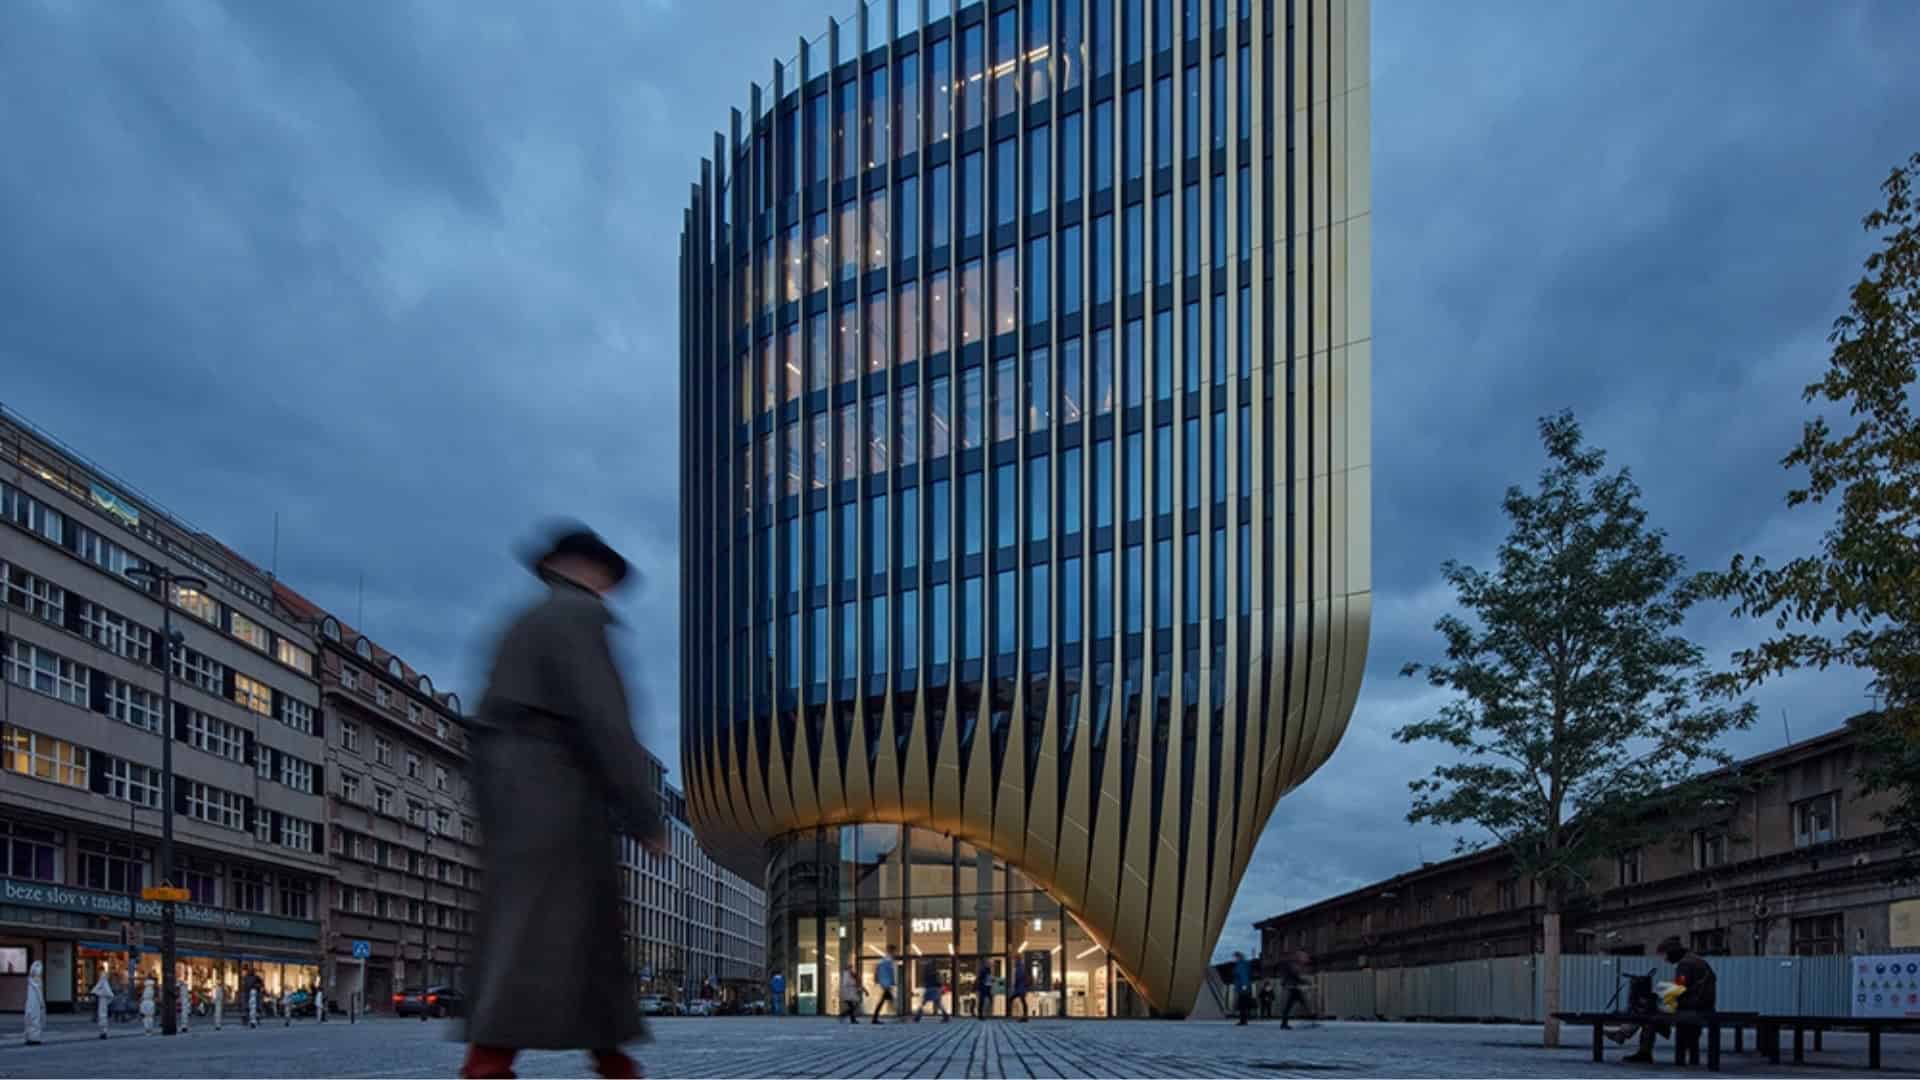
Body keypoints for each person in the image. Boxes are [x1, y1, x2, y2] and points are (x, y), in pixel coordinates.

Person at [459, 524, 669, 1080]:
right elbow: (605, 716)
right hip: (555, 785)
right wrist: (643, 812)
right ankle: (490, 1063)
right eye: (606, 575)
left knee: (575, 927)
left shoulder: (528, 621)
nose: (609, 588)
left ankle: (611, 1058)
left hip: (516, 786)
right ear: (581, 567)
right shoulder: (577, 616)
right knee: (550, 923)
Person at [1624, 937, 1717, 1065]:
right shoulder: (1695, 960)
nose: (1666, 959)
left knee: (1649, 1015)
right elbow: (1685, 987)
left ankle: (1642, 1050)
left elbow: (1678, 989)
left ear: (1673, 952)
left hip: (1693, 1008)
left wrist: (1659, 996)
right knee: (1654, 1011)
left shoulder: (1685, 964)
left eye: (1666, 955)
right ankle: (1625, 1033)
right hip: (1703, 1005)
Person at [1276, 951, 1311, 1028]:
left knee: (1301, 1003)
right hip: (1292, 988)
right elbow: (1294, 976)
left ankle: (1284, 1023)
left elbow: (1294, 976)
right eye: (1304, 957)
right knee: (1294, 1005)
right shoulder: (1293, 964)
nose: (1306, 959)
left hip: (1293, 987)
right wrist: (1305, 981)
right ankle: (1284, 1023)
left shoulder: (1294, 964)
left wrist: (1303, 981)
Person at [870, 948, 899, 1023]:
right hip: (886, 984)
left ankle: (875, 1018)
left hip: (885, 984)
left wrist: (889, 982)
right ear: (892, 952)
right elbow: (887, 973)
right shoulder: (887, 961)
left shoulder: (884, 960)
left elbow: (881, 972)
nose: (895, 954)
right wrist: (890, 983)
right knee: (888, 1000)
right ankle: (898, 1015)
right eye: (895, 952)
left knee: (884, 1001)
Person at [24, 960, 46, 1045]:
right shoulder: (37, 981)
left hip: (30, 1003)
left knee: (29, 1018)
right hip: (36, 1003)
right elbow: (39, 994)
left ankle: (29, 1037)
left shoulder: (30, 980)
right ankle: (35, 1038)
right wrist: (42, 1003)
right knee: (35, 1019)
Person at [1232, 952, 1254, 1026]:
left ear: (1238, 957)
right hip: (1242, 987)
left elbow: (1243, 976)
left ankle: (1243, 1020)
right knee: (1243, 1004)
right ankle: (1243, 1020)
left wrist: (1244, 986)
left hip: (1242, 987)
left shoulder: (1241, 965)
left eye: (1235, 957)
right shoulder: (1242, 964)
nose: (1234, 959)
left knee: (1242, 1004)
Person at [93, 968, 114, 1039]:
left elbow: (110, 995)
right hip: (102, 1002)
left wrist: (100, 994)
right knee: (102, 1016)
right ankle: (103, 1032)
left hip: (103, 1002)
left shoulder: (104, 983)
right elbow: (110, 995)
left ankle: (104, 1032)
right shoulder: (104, 983)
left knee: (103, 1016)